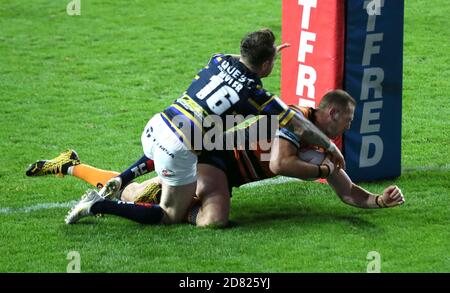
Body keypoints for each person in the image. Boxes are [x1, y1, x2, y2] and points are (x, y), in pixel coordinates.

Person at [61, 29, 345, 225]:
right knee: (170, 214)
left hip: (156, 126)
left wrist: (265, 55)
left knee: (194, 139)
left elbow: (243, 58)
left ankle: (122, 179)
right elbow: (298, 124)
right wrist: (330, 145)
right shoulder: (257, 96)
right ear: (268, 63)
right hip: (179, 147)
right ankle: (97, 206)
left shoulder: (219, 58)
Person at [27, 90, 404, 227]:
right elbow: (279, 164)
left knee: (148, 189)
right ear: (331, 113)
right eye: (348, 120)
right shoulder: (297, 117)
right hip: (216, 160)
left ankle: (72, 165)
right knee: (211, 219)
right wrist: (323, 167)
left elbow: (348, 193)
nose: (349, 128)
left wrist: (377, 202)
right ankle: (101, 189)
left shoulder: (322, 143)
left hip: (220, 164)